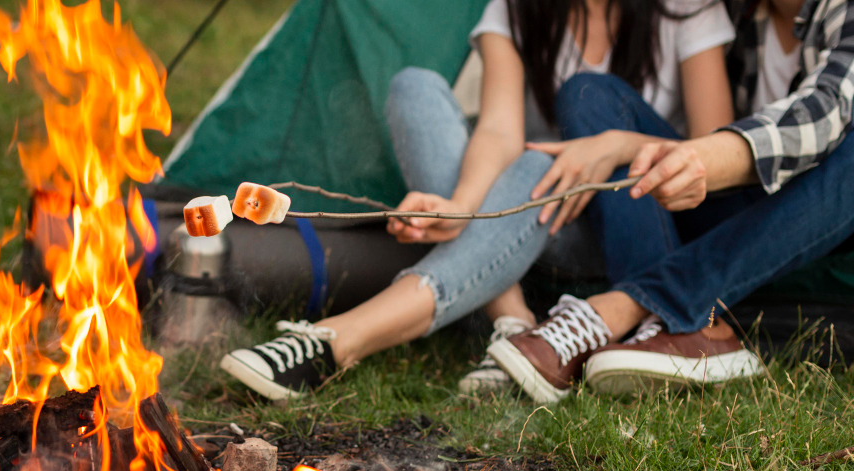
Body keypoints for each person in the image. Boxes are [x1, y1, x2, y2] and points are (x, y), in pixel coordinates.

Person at [219, 0, 737, 400]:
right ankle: (515, 323)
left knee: (540, 164)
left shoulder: (687, 8)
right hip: (516, 214)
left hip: (608, 226)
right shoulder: (518, 8)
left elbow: (723, 151)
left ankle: (340, 338)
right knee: (416, 88)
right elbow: (498, 130)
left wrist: (614, 146)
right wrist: (460, 205)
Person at [488, 0, 854, 403]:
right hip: (731, 203)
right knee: (589, 93)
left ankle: (628, 307)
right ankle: (680, 335)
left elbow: (825, 113)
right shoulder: (737, 12)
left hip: (823, 213)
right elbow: (708, 146)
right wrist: (622, 144)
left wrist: (702, 158)